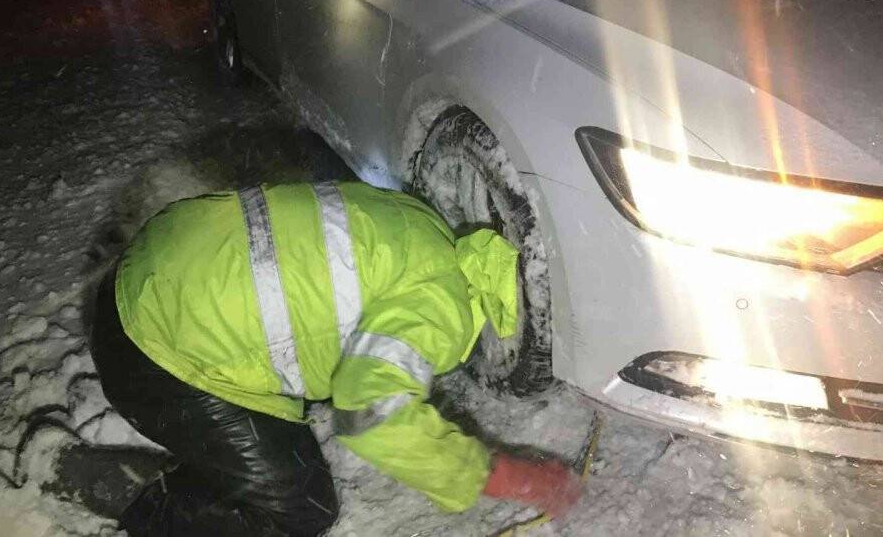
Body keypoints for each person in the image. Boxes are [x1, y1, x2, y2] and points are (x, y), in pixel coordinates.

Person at [90, 180, 583, 536]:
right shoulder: (442, 305)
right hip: (153, 351)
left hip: (147, 271)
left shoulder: (427, 227)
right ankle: (136, 504)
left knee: (283, 445)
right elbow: (372, 416)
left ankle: (206, 472)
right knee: (300, 511)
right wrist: (510, 477)